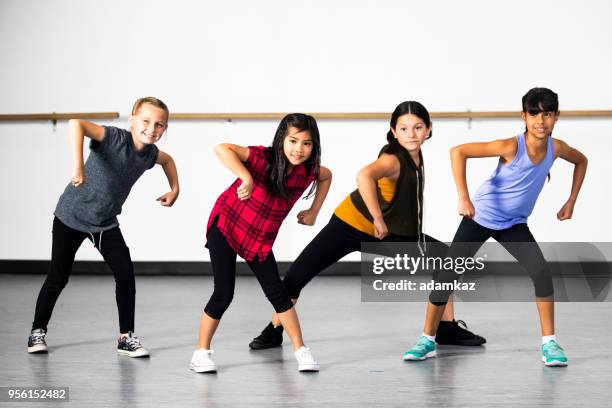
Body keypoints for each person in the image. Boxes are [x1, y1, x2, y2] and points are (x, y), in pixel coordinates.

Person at [248, 101, 485, 353]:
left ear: (428, 129)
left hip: (384, 233)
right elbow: (364, 176)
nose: (411, 134)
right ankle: (274, 330)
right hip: (349, 224)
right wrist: (377, 218)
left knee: (445, 259)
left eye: (417, 127)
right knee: (297, 276)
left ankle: (445, 327)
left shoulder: (414, 155)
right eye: (403, 129)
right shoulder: (393, 159)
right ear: (394, 131)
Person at [403, 88, 587, 366]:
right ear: (523, 116)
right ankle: (427, 339)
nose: (541, 121)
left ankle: (550, 344)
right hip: (480, 217)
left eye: (547, 114)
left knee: (542, 273)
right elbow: (458, 152)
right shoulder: (511, 146)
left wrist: (571, 200)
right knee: (447, 277)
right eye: (534, 114)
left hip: (513, 224)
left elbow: (582, 160)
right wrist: (464, 197)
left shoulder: (556, 148)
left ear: (556, 117)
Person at [28, 97, 179, 358]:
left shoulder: (149, 154)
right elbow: (76, 124)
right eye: (146, 121)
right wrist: (78, 166)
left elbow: (168, 161)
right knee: (58, 277)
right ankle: (37, 332)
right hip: (70, 216)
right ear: (132, 120)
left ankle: (126, 337)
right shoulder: (113, 138)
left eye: (159, 125)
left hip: (104, 223)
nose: (152, 129)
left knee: (125, 273)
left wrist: (175, 189)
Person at [190, 113, 332, 373]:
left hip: (259, 237)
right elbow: (222, 148)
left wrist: (314, 211)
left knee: (277, 293)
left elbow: (327, 175)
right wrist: (245, 177)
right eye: (292, 141)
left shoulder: (307, 172)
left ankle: (302, 350)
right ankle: (201, 352)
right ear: (281, 140)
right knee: (224, 293)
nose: (298, 149)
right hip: (227, 225)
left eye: (306, 143)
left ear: (314, 146)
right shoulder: (263, 159)